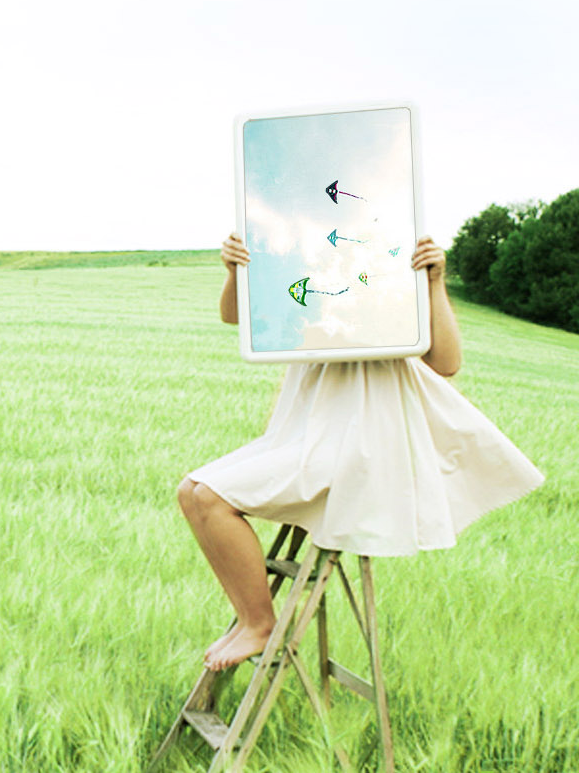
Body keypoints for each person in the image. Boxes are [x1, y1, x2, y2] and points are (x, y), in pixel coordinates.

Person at [176, 233, 544, 672]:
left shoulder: (394, 274)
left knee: (209, 497)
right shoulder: (304, 263)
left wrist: (435, 281)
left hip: (359, 442)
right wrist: (235, 271)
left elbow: (446, 363)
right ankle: (248, 618)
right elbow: (237, 317)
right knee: (190, 491)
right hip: (305, 433)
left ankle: (259, 623)